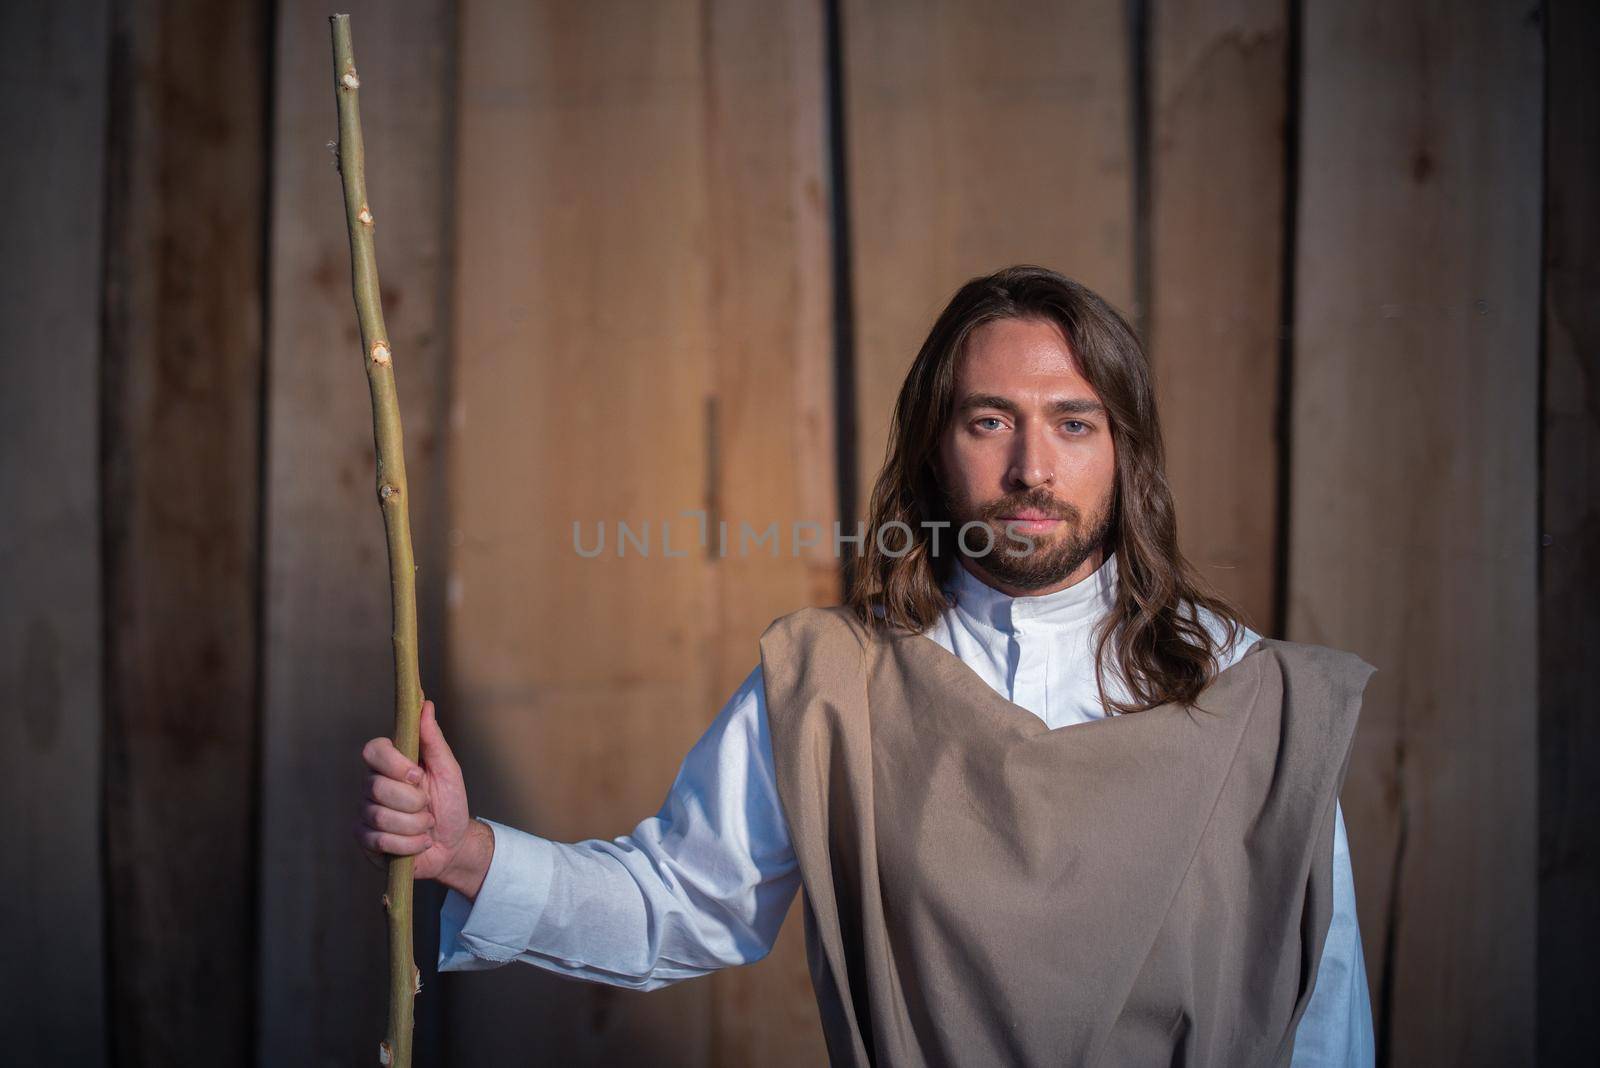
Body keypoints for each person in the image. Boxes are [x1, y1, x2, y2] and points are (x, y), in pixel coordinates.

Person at [357, 265, 1376, 1065]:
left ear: (1125, 451)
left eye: (1072, 423)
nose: (1031, 467)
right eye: (989, 422)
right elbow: (683, 898)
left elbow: (1323, 1020)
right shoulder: (830, 690)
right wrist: (469, 854)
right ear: (934, 447)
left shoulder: (1258, 702)